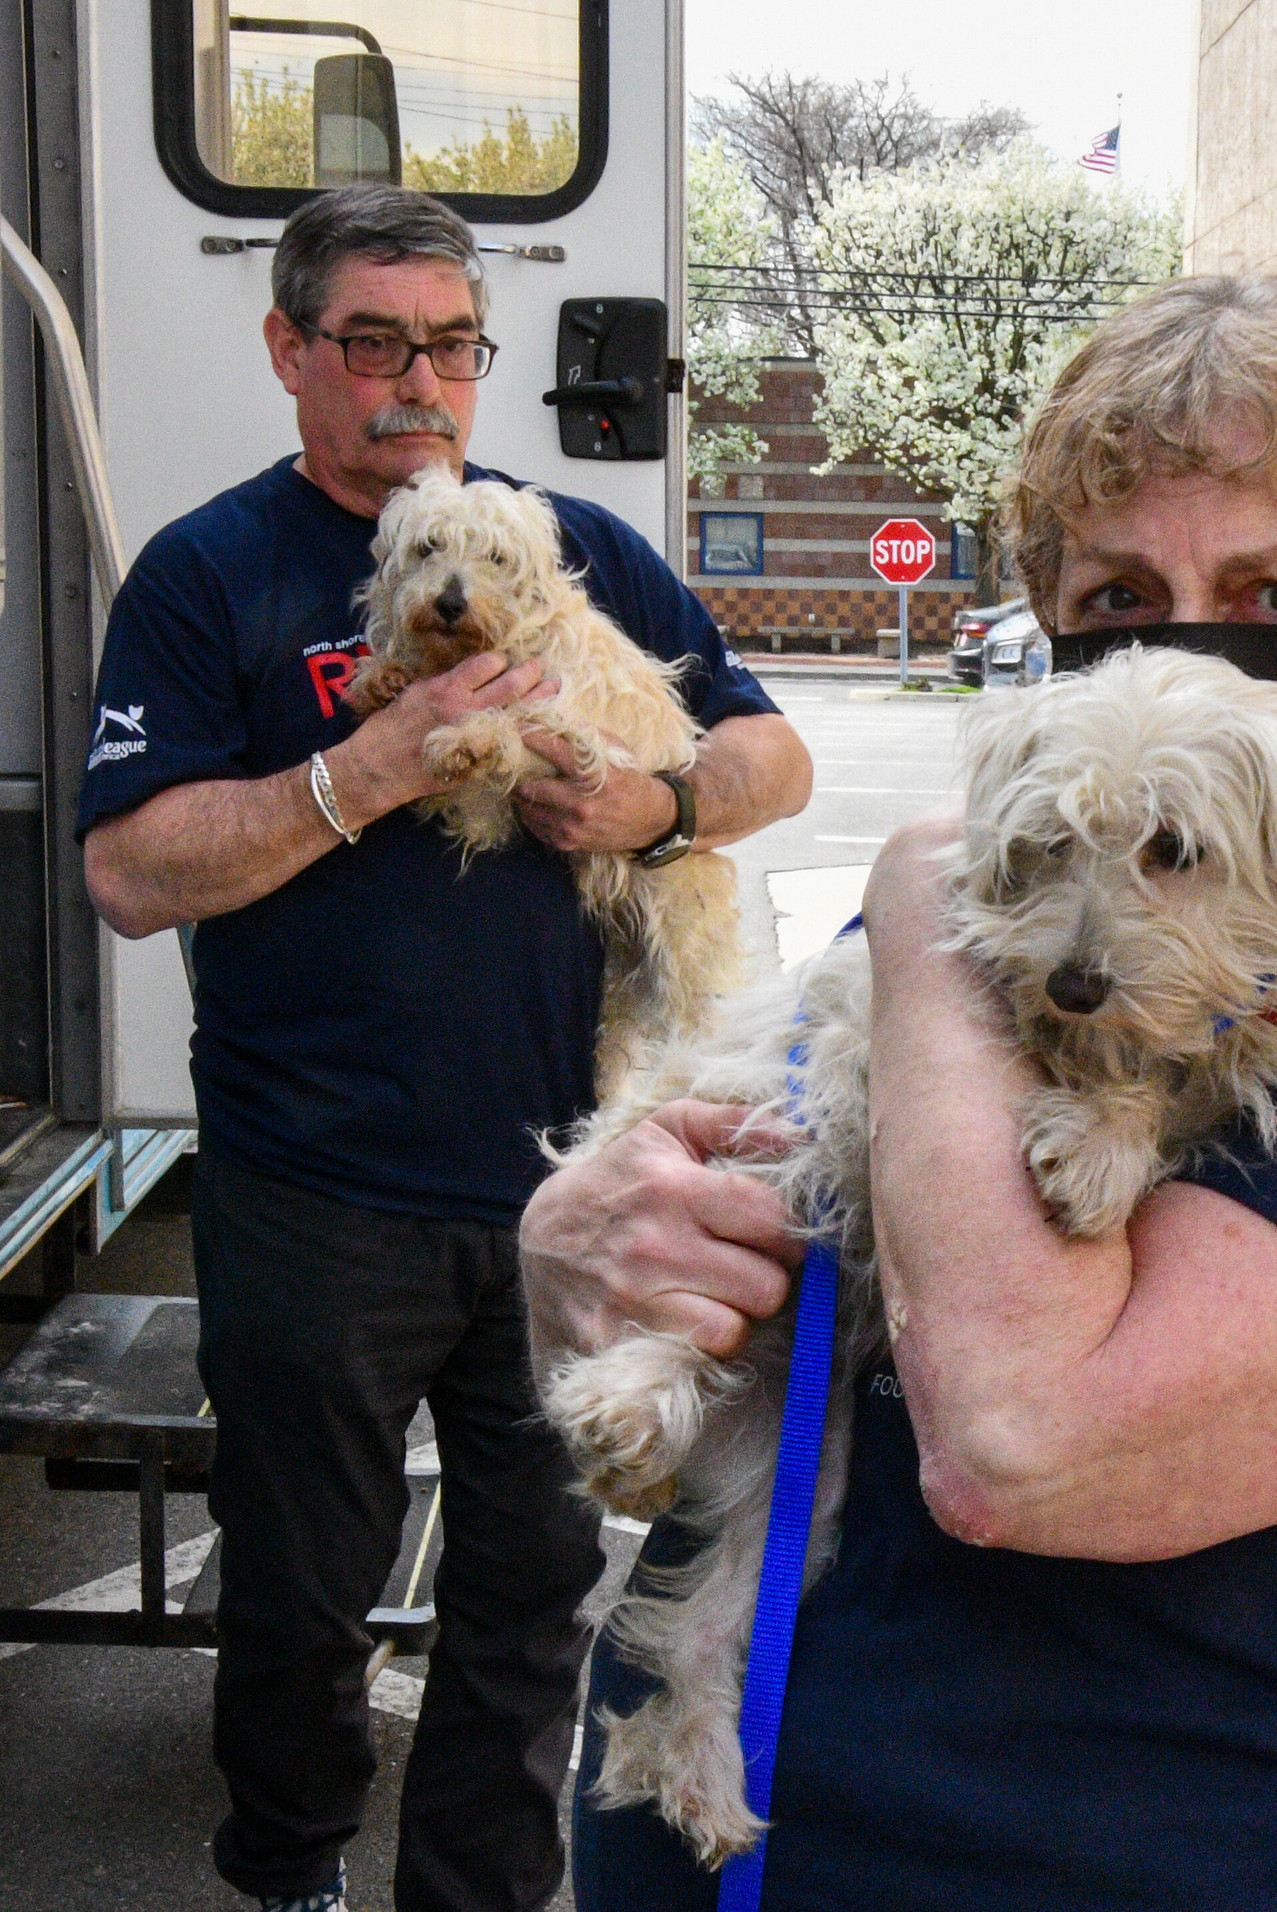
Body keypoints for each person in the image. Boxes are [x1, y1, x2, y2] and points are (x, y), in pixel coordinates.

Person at [521, 273, 1277, 1910]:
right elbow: (756, 1203)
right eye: (1120, 590)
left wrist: (929, 883)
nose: (1186, 646)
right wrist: (582, 1241)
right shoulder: (1027, 891)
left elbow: (1026, 1443)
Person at [77, 185, 811, 1912]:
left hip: (562, 1189)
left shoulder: (577, 550)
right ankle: (285, 1871)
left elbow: (769, 762)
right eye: (374, 342)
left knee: (529, 1602)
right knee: (297, 1595)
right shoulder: (208, 575)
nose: (420, 382)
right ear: (290, 350)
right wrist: (376, 762)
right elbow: (124, 872)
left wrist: (661, 800)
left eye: (453, 347)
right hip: (315, 1191)